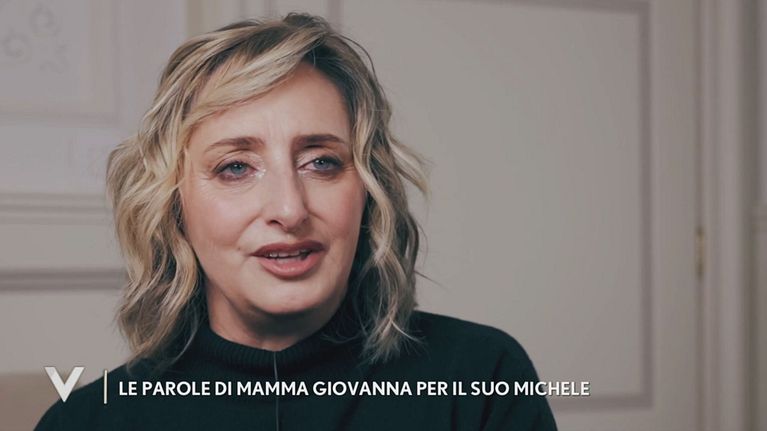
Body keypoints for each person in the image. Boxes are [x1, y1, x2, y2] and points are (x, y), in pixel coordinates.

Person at [36, 13, 557, 430]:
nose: (289, 210)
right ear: (173, 203)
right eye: (235, 167)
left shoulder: (481, 381)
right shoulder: (85, 422)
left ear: (368, 189)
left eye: (321, 162)